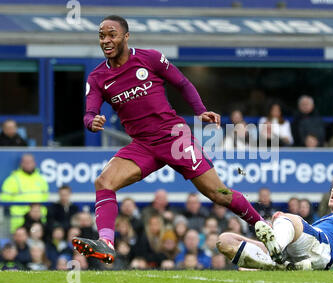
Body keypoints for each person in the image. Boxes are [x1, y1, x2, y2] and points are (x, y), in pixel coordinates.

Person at [73, 15, 265, 264]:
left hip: (174, 137)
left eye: (112, 34)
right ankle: (106, 243)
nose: (106, 40)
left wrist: (199, 110)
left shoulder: (149, 58)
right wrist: (92, 121)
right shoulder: (98, 77)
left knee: (219, 194)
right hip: (142, 145)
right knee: (104, 182)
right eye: (102, 36)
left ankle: (263, 228)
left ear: (126, 37)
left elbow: (182, 83)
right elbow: (89, 113)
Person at [1, 153, 49, 233]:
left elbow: (45, 200)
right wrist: (28, 212)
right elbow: (4, 200)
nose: (28, 164)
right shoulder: (13, 179)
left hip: (39, 221)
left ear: (34, 163)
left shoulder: (41, 180)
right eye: (25, 162)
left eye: (30, 162)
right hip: (19, 223)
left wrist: (38, 213)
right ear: (21, 164)